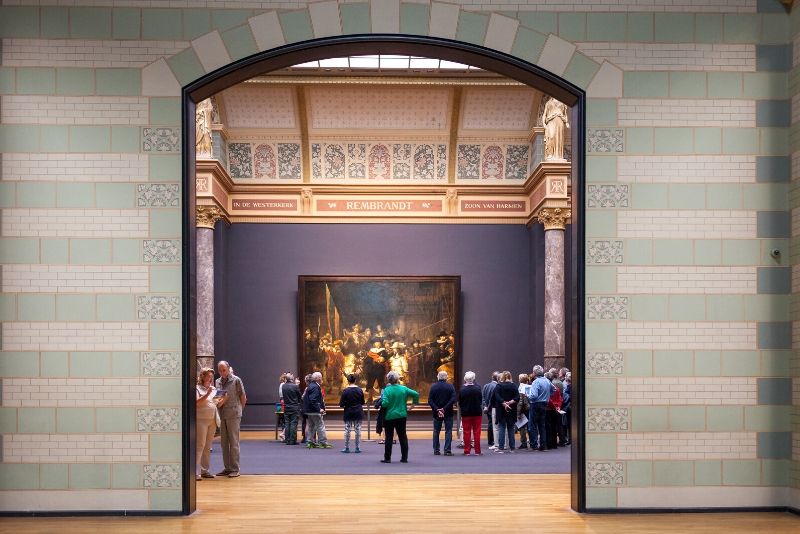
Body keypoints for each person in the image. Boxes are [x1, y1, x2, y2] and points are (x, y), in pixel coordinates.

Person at [215, 360, 247, 477]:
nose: (222, 372)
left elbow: (243, 397)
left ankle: (235, 468)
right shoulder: (217, 381)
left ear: (228, 369)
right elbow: (217, 399)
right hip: (222, 414)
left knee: (234, 442)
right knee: (224, 443)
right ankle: (227, 468)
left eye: (224, 370)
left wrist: (239, 410)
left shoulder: (236, 380)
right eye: (220, 370)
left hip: (234, 415)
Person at [380, 370, 419, 463]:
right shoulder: (403, 388)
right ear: (397, 379)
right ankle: (404, 458)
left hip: (389, 416)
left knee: (389, 437)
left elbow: (385, 404)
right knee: (402, 436)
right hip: (402, 415)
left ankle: (387, 458)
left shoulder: (387, 390)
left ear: (389, 380)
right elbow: (416, 394)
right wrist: (414, 404)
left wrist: (381, 402)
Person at [195, 367, 218, 480]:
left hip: (212, 420)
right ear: (203, 376)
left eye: (211, 376)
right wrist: (207, 394)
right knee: (200, 445)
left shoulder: (213, 389)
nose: (210, 378)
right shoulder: (197, 388)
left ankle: (205, 470)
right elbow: (197, 403)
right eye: (208, 376)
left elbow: (215, 403)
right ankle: (195, 472)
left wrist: (223, 398)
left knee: (207, 446)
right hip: (201, 420)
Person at [428, 370, 456, 456]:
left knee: (436, 431)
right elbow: (453, 400)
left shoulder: (433, 387)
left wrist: (437, 409)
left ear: (438, 377)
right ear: (446, 377)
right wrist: (444, 409)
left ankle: (436, 450)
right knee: (448, 431)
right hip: (448, 412)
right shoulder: (450, 386)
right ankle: (447, 450)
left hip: (436, 413)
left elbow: (430, 400)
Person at [303, 371, 332, 448]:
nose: (322, 379)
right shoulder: (315, 387)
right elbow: (313, 400)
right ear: (318, 378)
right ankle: (323, 442)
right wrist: (319, 409)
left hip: (310, 411)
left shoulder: (311, 385)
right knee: (320, 426)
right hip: (315, 411)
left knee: (311, 426)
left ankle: (310, 442)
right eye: (321, 377)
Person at [528, 365, 554, 451]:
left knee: (533, 425)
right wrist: (547, 396)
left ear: (534, 373)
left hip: (535, 404)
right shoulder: (547, 380)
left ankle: (534, 445)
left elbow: (534, 395)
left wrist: (528, 396)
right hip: (544, 404)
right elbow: (554, 389)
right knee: (542, 425)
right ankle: (543, 445)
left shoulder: (536, 382)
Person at [492, 371, 519, 453]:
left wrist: (504, 403)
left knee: (501, 427)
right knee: (511, 428)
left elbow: (497, 397)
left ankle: (501, 448)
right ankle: (512, 448)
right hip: (512, 409)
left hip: (501, 410)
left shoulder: (499, 386)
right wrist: (510, 402)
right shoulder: (514, 386)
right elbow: (517, 397)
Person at [458, 371, 483, 455]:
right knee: (477, 432)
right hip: (477, 412)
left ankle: (467, 451)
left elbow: (460, 402)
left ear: (465, 379)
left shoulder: (462, 389)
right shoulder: (478, 388)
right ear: (473, 379)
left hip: (466, 413)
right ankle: (477, 451)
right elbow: (480, 400)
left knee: (466, 432)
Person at [339, 373, 365, 453]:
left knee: (347, 430)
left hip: (348, 412)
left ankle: (347, 448)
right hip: (358, 411)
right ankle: (357, 448)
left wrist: (347, 404)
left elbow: (341, 404)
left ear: (348, 381)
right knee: (358, 430)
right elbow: (362, 402)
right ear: (355, 380)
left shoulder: (345, 391)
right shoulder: (360, 390)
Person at [282, 373, 302, 445]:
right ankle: (292, 440)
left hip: (286, 407)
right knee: (293, 423)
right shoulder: (295, 386)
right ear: (291, 379)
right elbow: (299, 396)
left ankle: (287, 440)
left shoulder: (283, 386)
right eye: (293, 377)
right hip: (294, 407)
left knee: (287, 423)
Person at [482, 372, 499, 450]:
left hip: (487, 408)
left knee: (490, 424)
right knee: (495, 425)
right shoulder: (497, 386)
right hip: (494, 408)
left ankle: (490, 440)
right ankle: (495, 441)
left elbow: (483, 397)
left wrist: (485, 406)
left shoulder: (486, 386)